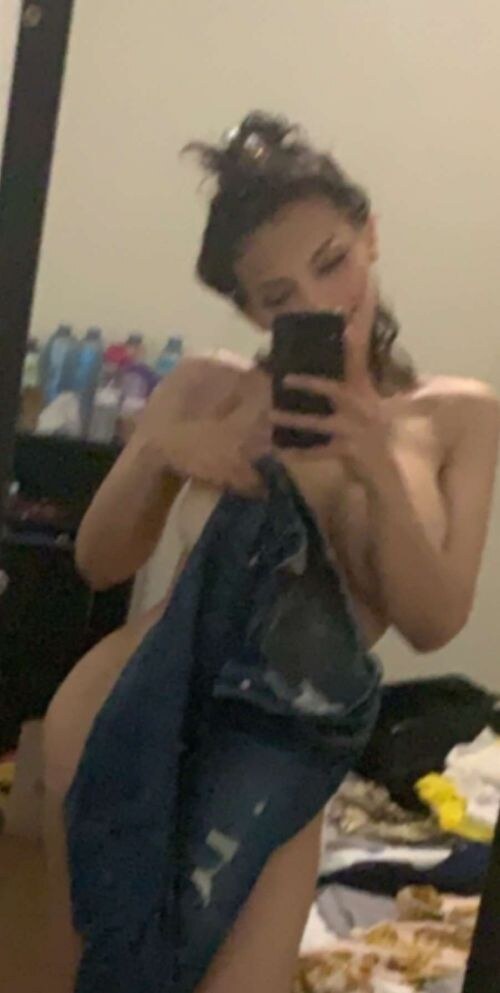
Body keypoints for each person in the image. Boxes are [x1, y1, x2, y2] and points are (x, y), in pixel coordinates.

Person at [43, 112, 499, 993]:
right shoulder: (209, 389)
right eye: (279, 295)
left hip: (282, 746)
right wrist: (160, 452)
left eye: (332, 261)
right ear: (251, 310)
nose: (319, 303)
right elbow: (99, 562)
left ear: (369, 234)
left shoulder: (455, 417)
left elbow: (435, 620)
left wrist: (374, 462)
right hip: (123, 715)